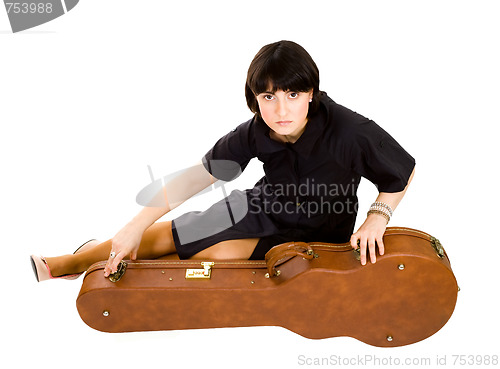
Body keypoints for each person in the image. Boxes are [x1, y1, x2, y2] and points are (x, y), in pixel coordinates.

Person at [30, 40, 415, 282]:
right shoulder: (254, 130)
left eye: (293, 95)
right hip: (260, 206)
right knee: (167, 234)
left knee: (205, 256)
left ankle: (100, 258)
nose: (281, 109)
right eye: (268, 98)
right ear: (255, 99)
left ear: (311, 93)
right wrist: (133, 226)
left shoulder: (351, 130)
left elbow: (403, 170)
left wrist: (377, 217)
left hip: (319, 231)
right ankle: (71, 262)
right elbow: (196, 178)